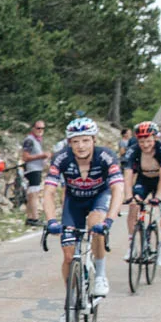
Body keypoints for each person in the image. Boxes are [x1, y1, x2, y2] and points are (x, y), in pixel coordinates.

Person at [43, 116, 123, 302]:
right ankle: (71, 300)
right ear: (69, 143)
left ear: (94, 140)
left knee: (95, 225)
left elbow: (118, 189)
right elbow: (48, 192)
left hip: (98, 198)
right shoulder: (61, 158)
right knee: (69, 256)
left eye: (86, 140)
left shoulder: (106, 156)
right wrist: (51, 221)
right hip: (74, 201)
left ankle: (101, 275)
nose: (81, 146)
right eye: (75, 141)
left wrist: (109, 220)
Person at [121, 121, 161, 248]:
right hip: (144, 180)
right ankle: (132, 246)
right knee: (134, 206)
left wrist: (158, 197)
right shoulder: (133, 150)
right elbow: (128, 174)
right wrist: (128, 196)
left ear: (155, 138)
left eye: (148, 141)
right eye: (141, 141)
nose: (145, 145)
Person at [20, 121, 49, 226]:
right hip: (32, 169)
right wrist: (42, 156)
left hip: (36, 168)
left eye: (42, 128)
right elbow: (25, 157)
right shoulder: (29, 140)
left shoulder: (37, 140)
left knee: (34, 193)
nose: (40, 130)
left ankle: (30, 217)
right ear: (33, 128)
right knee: (33, 193)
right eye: (38, 128)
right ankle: (34, 218)